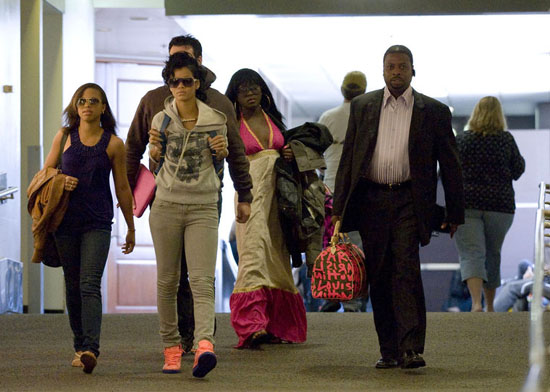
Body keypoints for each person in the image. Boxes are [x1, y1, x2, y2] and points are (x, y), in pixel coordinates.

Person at [332, 45, 465, 369]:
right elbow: (350, 157)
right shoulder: (363, 106)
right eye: (390, 66)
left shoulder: (432, 111)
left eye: (402, 66)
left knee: (405, 268)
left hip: (409, 200)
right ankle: (389, 350)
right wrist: (338, 208)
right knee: (378, 273)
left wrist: (455, 211)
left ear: (412, 70)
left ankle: (410, 348)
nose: (396, 72)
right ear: (382, 70)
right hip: (372, 200)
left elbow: (450, 163)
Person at [125, 35, 253, 353]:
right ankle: (180, 336)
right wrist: (127, 193)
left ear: (198, 65)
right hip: (166, 197)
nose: (179, 81)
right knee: (172, 273)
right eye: (173, 62)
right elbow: (133, 149)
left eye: (186, 60)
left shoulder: (219, 104)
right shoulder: (154, 101)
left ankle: (199, 337)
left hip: (207, 197)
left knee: (198, 273)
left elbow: (236, 152)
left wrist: (245, 194)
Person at [148, 52, 233, 378]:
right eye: (174, 82)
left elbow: (219, 164)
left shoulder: (215, 119)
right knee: (168, 281)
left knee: (202, 281)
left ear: (197, 83)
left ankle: (204, 345)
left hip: (203, 206)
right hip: (167, 205)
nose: (180, 87)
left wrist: (222, 153)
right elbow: (154, 165)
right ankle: (171, 347)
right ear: (169, 85)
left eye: (186, 81)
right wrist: (154, 151)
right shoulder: (161, 120)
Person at [43, 83, 136, 374]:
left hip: (97, 222)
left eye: (93, 101)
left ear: (102, 107)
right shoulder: (64, 137)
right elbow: (45, 173)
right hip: (65, 221)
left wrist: (131, 227)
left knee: (89, 284)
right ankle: (78, 346)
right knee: (72, 284)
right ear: (75, 106)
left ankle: (91, 349)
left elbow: (122, 186)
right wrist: (61, 179)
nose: (87, 105)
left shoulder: (113, 144)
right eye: (82, 101)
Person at [225, 69, 307, 348]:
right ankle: (252, 325)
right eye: (243, 89)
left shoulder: (274, 121)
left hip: (279, 199)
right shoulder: (230, 124)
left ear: (263, 91)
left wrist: (289, 152)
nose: (250, 93)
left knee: (276, 256)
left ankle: (273, 325)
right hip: (250, 195)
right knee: (253, 254)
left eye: (255, 87)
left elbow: (290, 155)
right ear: (234, 95)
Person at [454, 96, 525, 312]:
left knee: (472, 253)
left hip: (467, 205)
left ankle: (476, 303)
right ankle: (490, 305)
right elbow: (518, 169)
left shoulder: (463, 140)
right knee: (493, 253)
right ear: (499, 115)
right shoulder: (506, 140)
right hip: (500, 206)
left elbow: (449, 171)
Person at [318, 70, 367, 313]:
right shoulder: (369, 114)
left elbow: (316, 155)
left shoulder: (328, 117)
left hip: (330, 189)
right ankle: (353, 300)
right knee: (355, 245)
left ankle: (330, 293)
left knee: (330, 243)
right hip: (359, 190)